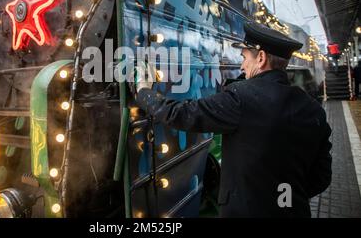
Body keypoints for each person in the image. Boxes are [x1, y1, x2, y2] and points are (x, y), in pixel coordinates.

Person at [133, 22, 332, 218]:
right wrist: (285, 198)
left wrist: (144, 92)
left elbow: (184, 114)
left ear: (261, 58)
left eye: (244, 57)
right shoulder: (313, 110)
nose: (242, 66)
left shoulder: (242, 98)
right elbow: (322, 177)